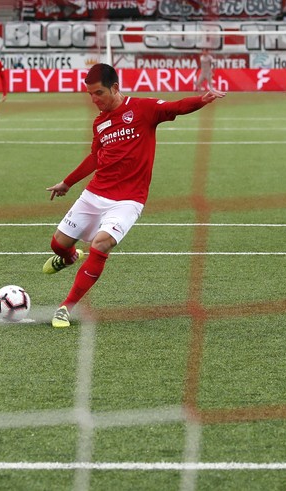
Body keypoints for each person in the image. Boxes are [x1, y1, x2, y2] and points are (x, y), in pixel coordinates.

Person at [43, 63, 225, 328]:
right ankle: (70, 257)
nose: (94, 100)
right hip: (95, 193)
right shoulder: (100, 123)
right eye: (90, 95)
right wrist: (67, 183)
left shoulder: (143, 109)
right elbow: (96, 157)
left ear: (115, 88)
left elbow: (175, 107)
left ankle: (65, 307)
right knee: (58, 244)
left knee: (102, 243)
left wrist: (202, 99)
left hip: (129, 200)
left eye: (99, 93)